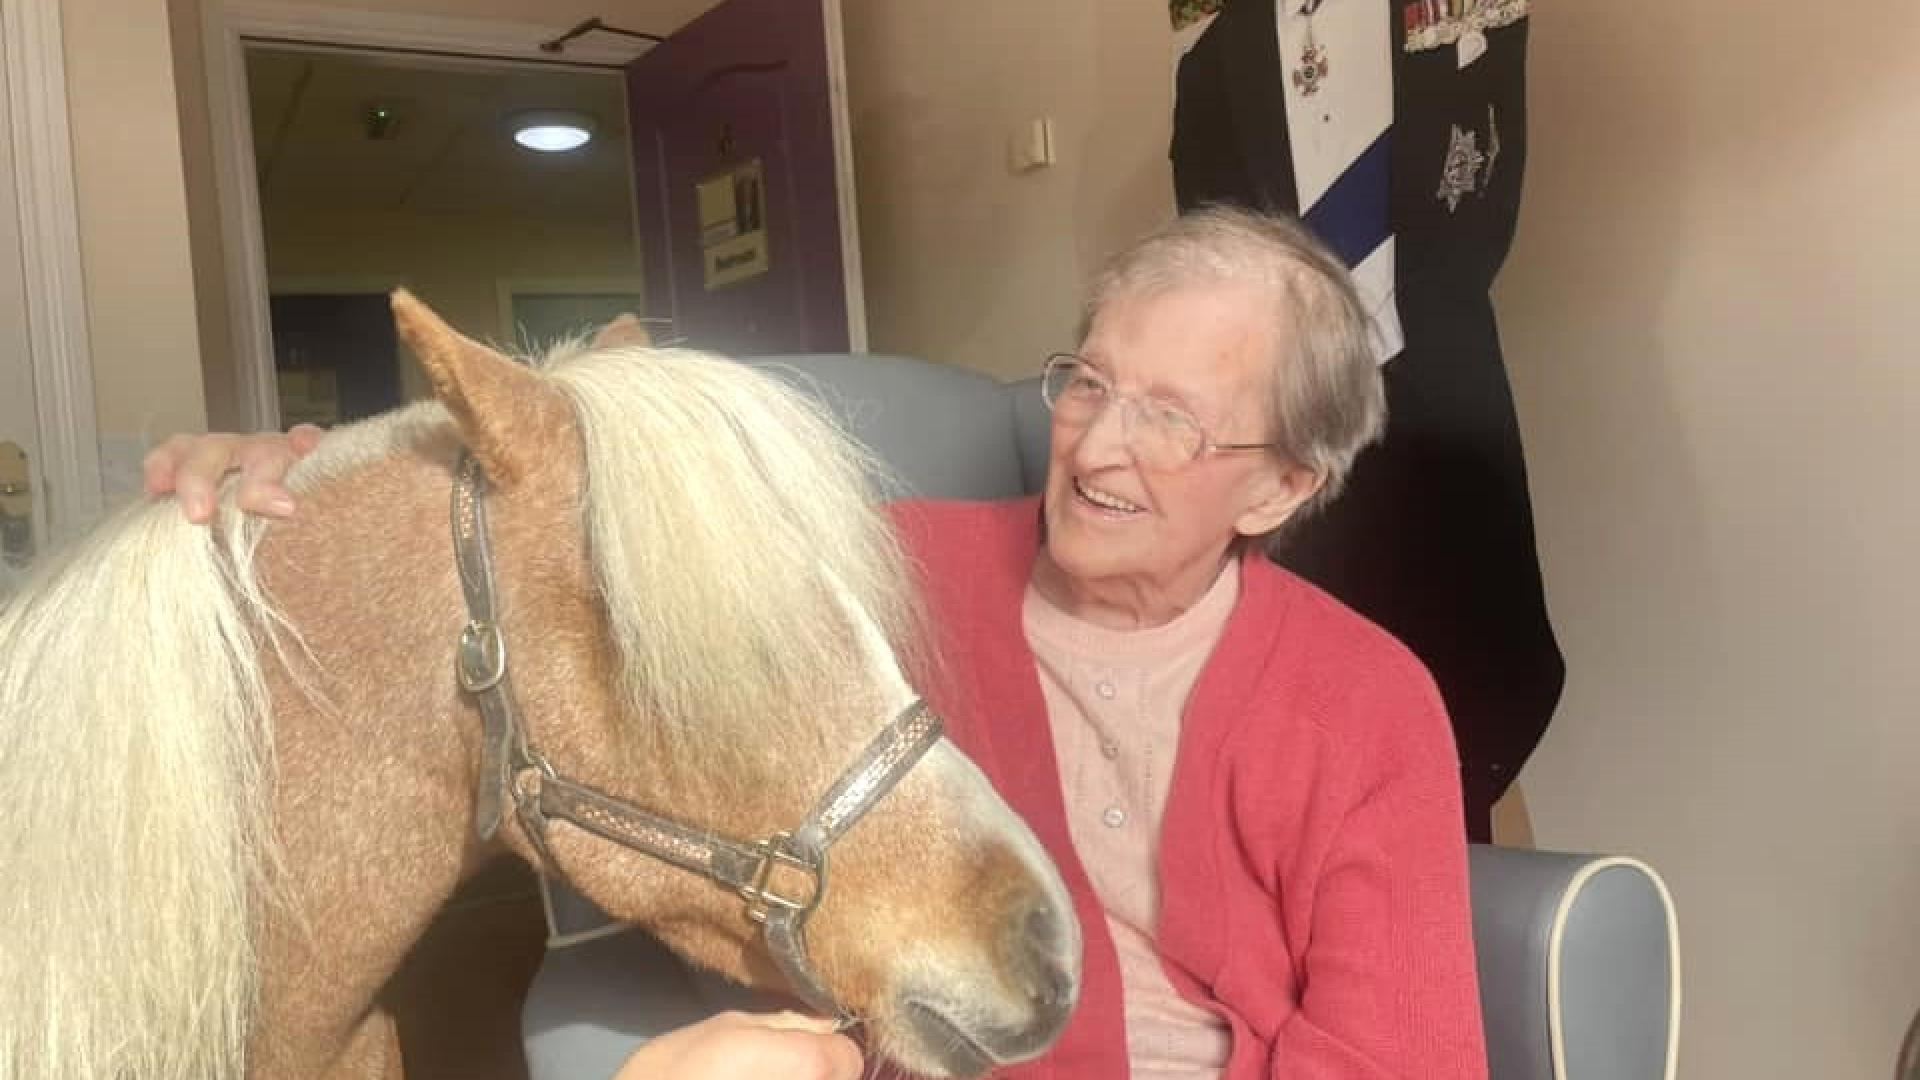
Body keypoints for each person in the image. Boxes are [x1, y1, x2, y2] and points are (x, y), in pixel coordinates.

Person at [148, 206, 1486, 1077]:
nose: (1099, 444)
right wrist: (302, 483)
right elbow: (581, 529)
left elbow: (1402, 1059)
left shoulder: (1368, 702)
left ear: (1278, 489)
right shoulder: (873, 574)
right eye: (1089, 381)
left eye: (1173, 417)